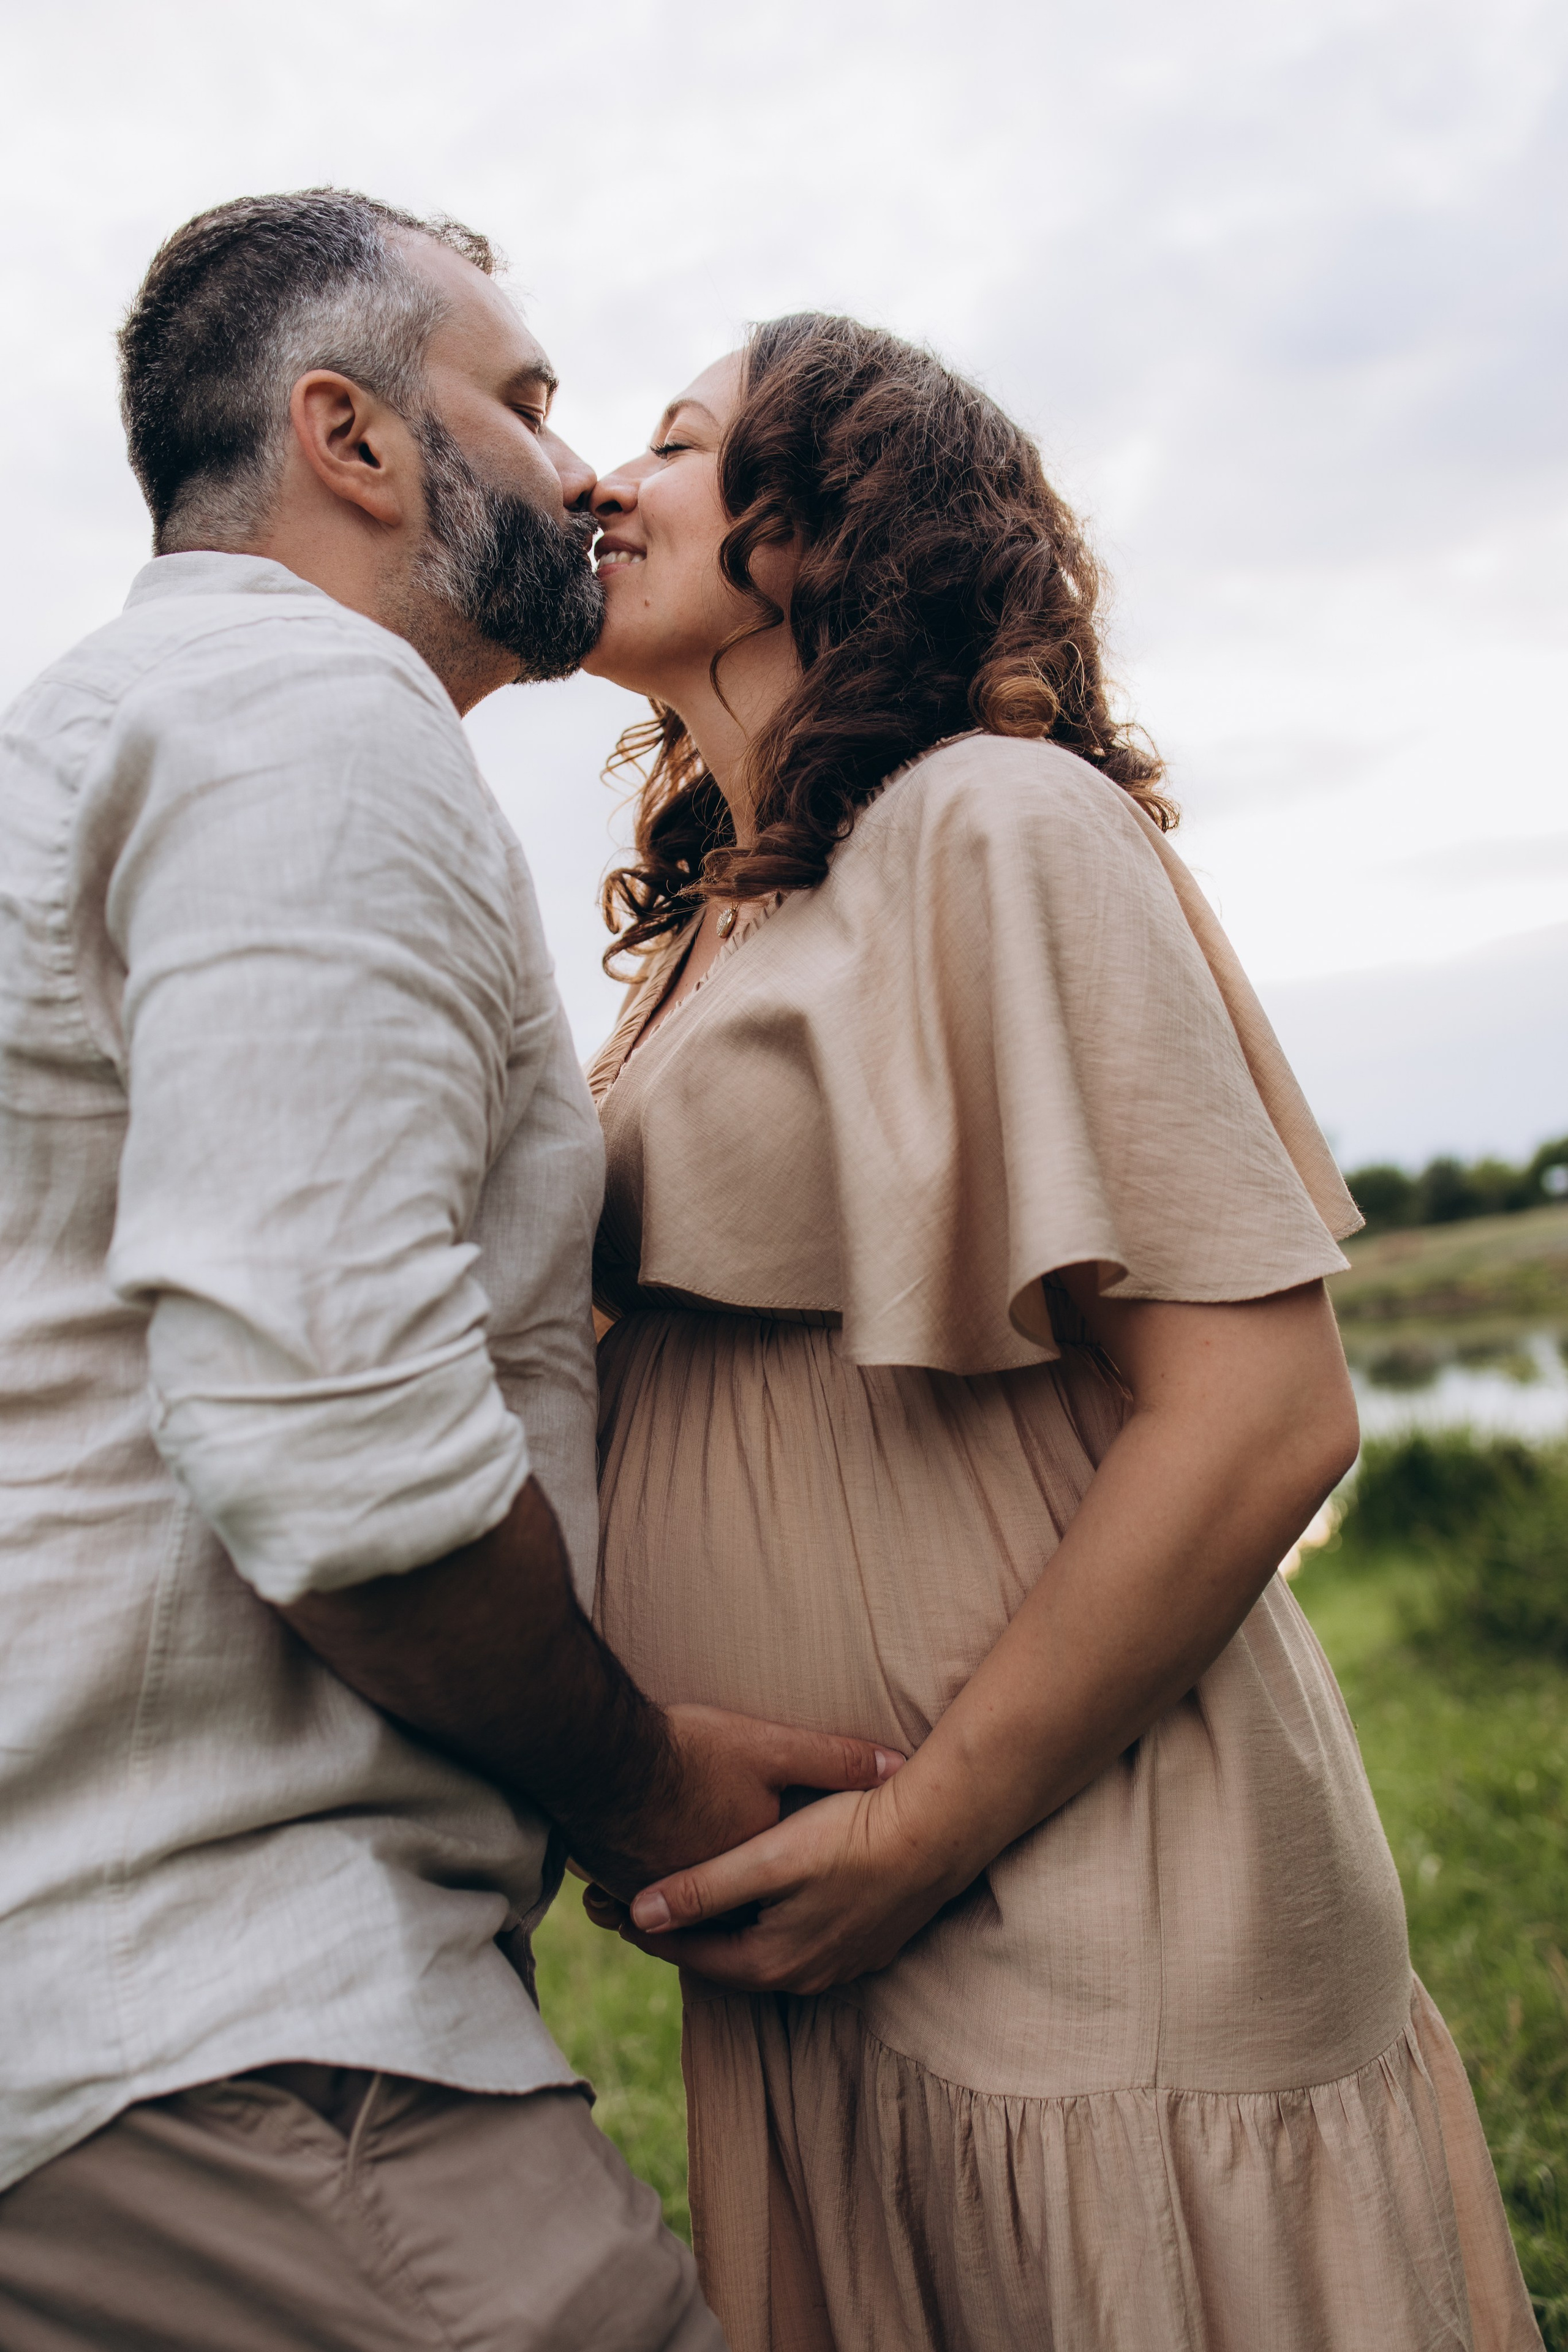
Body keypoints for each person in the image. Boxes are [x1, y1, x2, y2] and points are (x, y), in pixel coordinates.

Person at [578, 315, 1544, 2350]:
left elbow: (1264, 1414)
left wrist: (923, 1831)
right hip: (864, 1925)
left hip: (1077, 1891)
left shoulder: (992, 822)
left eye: (674, 445)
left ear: (821, 526)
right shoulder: (729, 914)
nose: (601, 482)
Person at [0, 198, 898, 2351]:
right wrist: (645, 1784)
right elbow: (335, 1447)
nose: (582, 471)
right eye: (525, 400)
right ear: (354, 438)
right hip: (240, 2032)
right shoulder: (311, 720)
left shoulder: (110, 726)